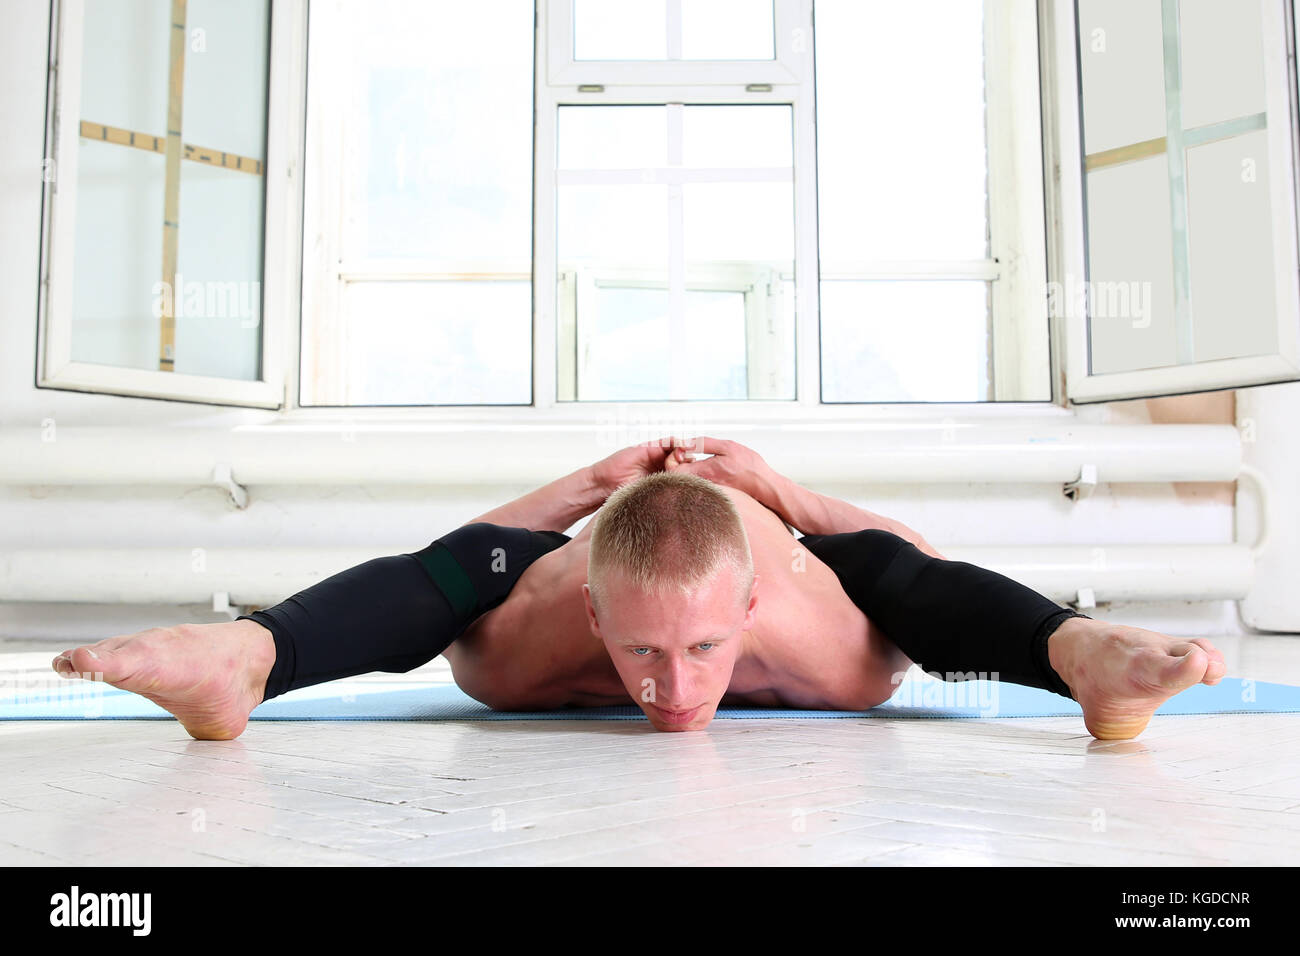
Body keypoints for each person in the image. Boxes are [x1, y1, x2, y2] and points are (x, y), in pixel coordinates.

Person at [50, 437, 1226, 741]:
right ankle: (240, 660)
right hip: (596, 528)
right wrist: (583, 488)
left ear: (751, 613)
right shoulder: (524, 648)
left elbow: (905, 565)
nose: (673, 689)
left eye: (706, 649)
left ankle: (1082, 656)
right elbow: (453, 568)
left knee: (895, 583)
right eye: (643, 653)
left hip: (763, 520)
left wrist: (783, 492)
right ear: (596, 617)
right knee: (451, 591)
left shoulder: (828, 641)